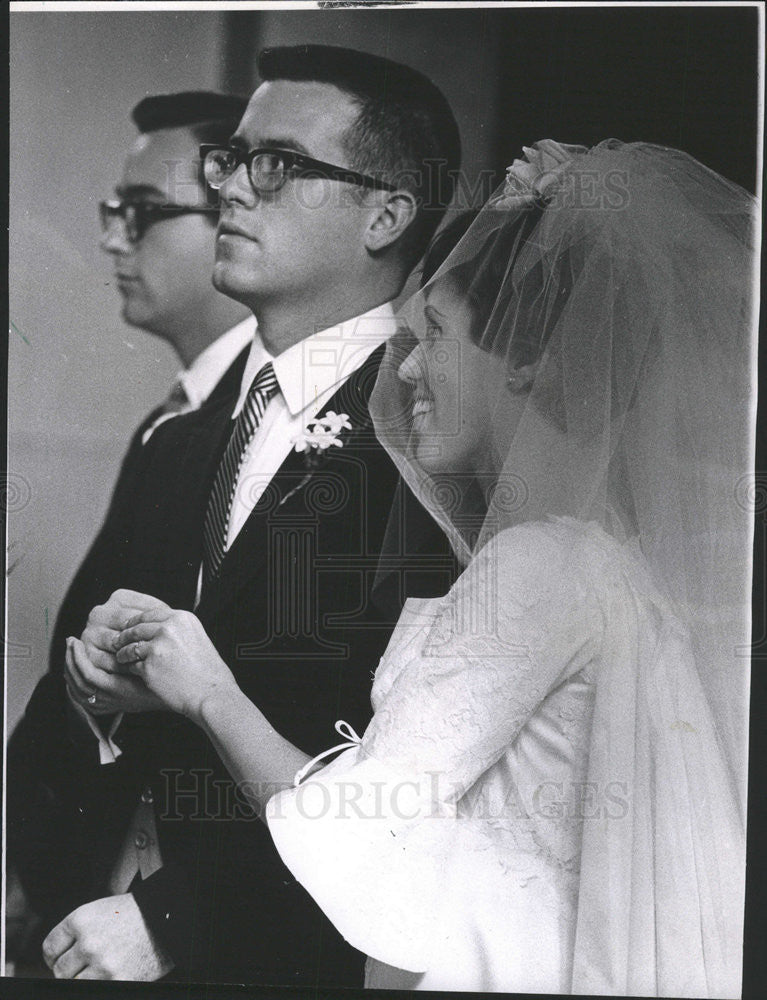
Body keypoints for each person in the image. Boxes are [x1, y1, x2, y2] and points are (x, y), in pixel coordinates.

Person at [94, 139, 753, 995]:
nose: (404, 370)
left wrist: (207, 690)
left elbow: (365, 825)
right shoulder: (600, 562)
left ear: (522, 357)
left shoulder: (539, 566)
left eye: (434, 335)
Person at [41, 46, 460, 984]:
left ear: (386, 213)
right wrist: (96, 697)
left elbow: (404, 779)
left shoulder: (427, 444)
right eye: (231, 161)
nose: (231, 187)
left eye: (276, 165)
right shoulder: (184, 440)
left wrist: (176, 920)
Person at [6, 90, 253, 970]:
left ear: (236, 218)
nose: (113, 237)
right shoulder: (177, 415)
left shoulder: (252, 429)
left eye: (142, 212)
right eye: (113, 212)